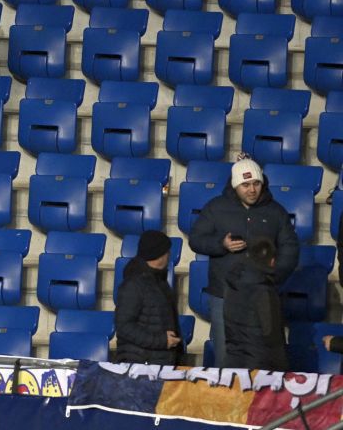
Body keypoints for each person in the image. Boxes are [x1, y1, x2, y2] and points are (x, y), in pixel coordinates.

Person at [189, 155, 300, 365]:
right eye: (246, 184)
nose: (252, 189)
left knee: (266, 356)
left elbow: (290, 248)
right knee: (227, 355)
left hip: (263, 294)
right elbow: (196, 239)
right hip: (224, 294)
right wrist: (221, 245)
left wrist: (273, 276)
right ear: (235, 185)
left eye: (256, 183)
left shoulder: (276, 211)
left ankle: (262, 398)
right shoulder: (215, 207)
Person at [114, 230, 183, 365]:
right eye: (167, 251)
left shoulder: (159, 281)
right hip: (141, 364)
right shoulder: (134, 284)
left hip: (159, 361)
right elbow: (124, 326)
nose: (169, 255)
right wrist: (161, 341)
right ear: (160, 254)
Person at [222, 238, 290, 371]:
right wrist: (283, 370)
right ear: (272, 261)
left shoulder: (231, 284)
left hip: (232, 362)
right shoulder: (264, 291)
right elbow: (272, 336)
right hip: (258, 368)